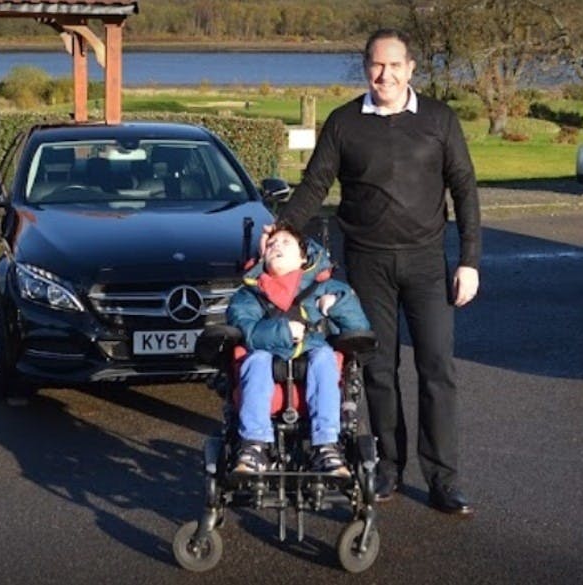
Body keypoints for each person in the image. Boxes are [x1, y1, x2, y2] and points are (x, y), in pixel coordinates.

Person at [270, 28, 481, 516]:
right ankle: (388, 467)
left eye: (394, 65)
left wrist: (469, 260)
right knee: (379, 369)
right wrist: (282, 230)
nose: (384, 75)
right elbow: (315, 184)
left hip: (427, 264)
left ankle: (443, 479)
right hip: (367, 264)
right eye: (376, 65)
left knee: (437, 369)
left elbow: (465, 189)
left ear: (410, 69)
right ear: (366, 68)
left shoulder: (439, 120)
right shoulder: (345, 123)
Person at [226, 222, 370, 477]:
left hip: (313, 352)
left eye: (285, 242)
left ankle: (327, 445)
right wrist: (283, 332)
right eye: (271, 244)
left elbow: (359, 327)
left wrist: (336, 305)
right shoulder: (248, 295)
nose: (277, 246)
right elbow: (245, 329)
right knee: (256, 360)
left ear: (303, 257)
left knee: (324, 356)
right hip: (267, 355)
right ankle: (254, 445)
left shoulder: (328, 288)